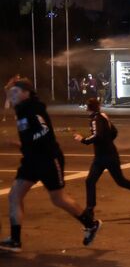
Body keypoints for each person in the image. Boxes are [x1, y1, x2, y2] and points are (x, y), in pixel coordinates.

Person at [0, 79, 101, 253]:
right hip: (31, 160)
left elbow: (44, 131)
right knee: (14, 196)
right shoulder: (21, 110)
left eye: (15, 92)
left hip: (48, 158)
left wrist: (27, 143)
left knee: (58, 198)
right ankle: (15, 241)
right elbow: (31, 137)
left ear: (27, 92)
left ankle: (91, 224)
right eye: (10, 93)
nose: (12, 95)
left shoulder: (33, 108)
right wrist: (20, 145)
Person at [74, 98, 130, 216]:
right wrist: (108, 142)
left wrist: (83, 140)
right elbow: (114, 132)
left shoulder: (95, 119)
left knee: (93, 181)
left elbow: (97, 135)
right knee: (116, 181)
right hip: (109, 154)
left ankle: (90, 208)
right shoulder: (103, 116)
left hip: (103, 156)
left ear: (88, 108)